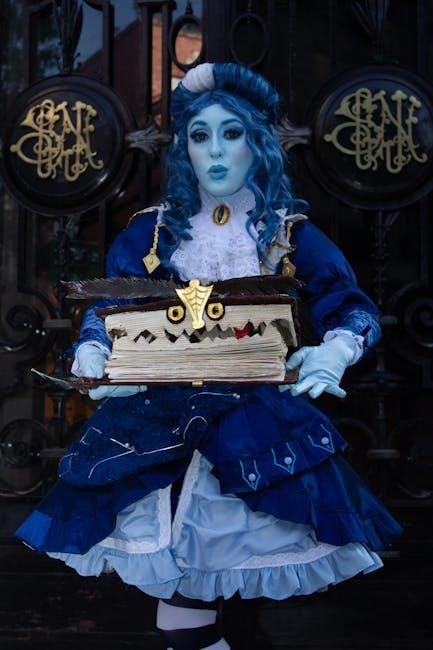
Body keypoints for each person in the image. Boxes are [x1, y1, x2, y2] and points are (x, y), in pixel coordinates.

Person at [16, 63, 402, 650]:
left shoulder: (288, 234)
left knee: (204, 587)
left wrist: (334, 351)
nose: (216, 151)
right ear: (185, 151)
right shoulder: (151, 234)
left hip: (254, 420)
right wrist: (96, 352)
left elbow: (351, 308)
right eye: (200, 136)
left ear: (258, 143)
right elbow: (111, 309)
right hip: (157, 420)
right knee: (181, 600)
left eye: (232, 133)